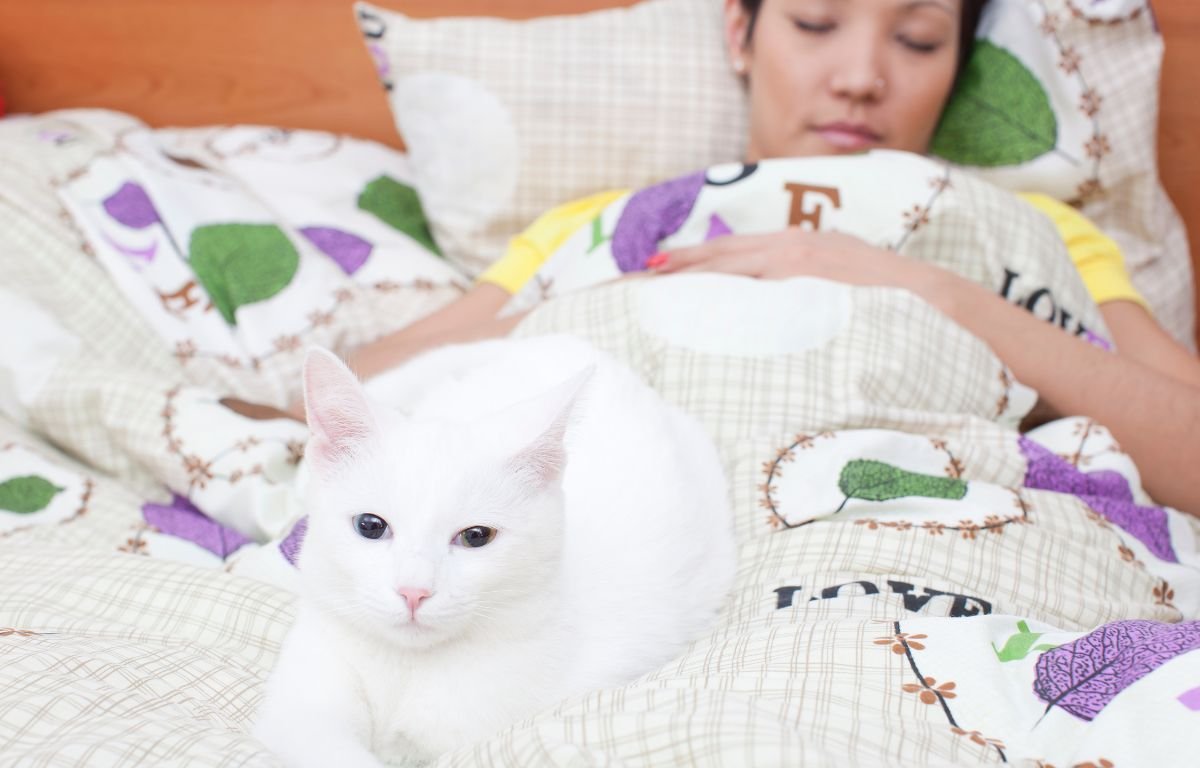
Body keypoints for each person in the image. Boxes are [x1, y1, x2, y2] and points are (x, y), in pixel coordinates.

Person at [230, 0, 1200, 514]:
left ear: (958, 66)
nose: (862, 76)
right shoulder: (603, 225)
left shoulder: (1032, 231)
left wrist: (923, 287)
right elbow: (355, 396)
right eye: (816, 23)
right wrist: (594, 307)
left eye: (917, 37)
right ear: (740, 32)